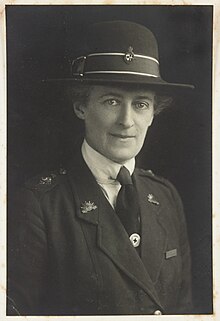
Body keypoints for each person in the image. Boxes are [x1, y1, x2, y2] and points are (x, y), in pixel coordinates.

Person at [7, 20, 194, 315]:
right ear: (81, 107)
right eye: (111, 101)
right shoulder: (40, 204)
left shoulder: (166, 198)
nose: (127, 121)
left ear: (153, 114)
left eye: (141, 104)